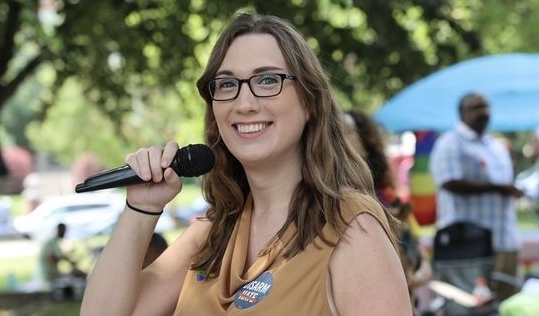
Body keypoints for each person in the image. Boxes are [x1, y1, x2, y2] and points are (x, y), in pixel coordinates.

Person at [81, 12, 411, 315]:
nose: (244, 103)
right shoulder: (211, 234)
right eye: (227, 84)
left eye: (267, 80)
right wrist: (141, 208)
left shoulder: (352, 228)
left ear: (310, 102)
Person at [429, 92, 524, 301]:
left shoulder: (495, 145)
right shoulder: (450, 143)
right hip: (468, 243)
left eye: (486, 107)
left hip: (504, 239)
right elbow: (449, 182)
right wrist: (497, 188)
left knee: (507, 303)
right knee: (470, 304)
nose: (484, 112)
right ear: (462, 113)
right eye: (477, 108)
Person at [346, 109, 432, 315]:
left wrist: (412, 277)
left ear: (365, 144)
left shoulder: (392, 201)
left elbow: (424, 265)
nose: (336, 138)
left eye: (346, 131)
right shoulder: (319, 203)